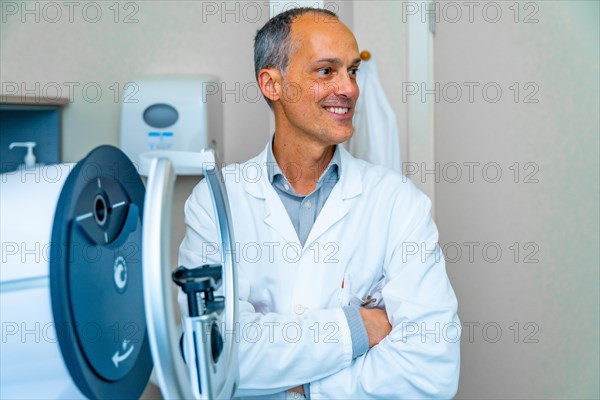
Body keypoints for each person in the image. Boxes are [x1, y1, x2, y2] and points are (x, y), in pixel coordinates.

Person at [178, 7, 460, 399]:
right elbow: (212, 354)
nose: (350, 88)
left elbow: (431, 370)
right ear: (271, 84)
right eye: (326, 71)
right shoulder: (215, 202)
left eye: (353, 71)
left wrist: (302, 387)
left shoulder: (399, 204)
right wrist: (360, 327)